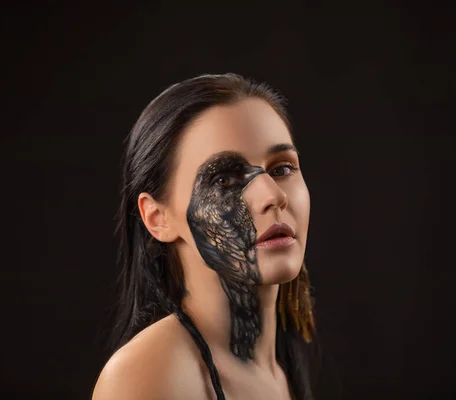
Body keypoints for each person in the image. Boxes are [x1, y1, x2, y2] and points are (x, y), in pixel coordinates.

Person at [92, 73, 317, 400]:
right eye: (224, 180)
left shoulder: (283, 370)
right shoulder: (150, 376)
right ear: (158, 218)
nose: (273, 195)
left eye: (281, 168)